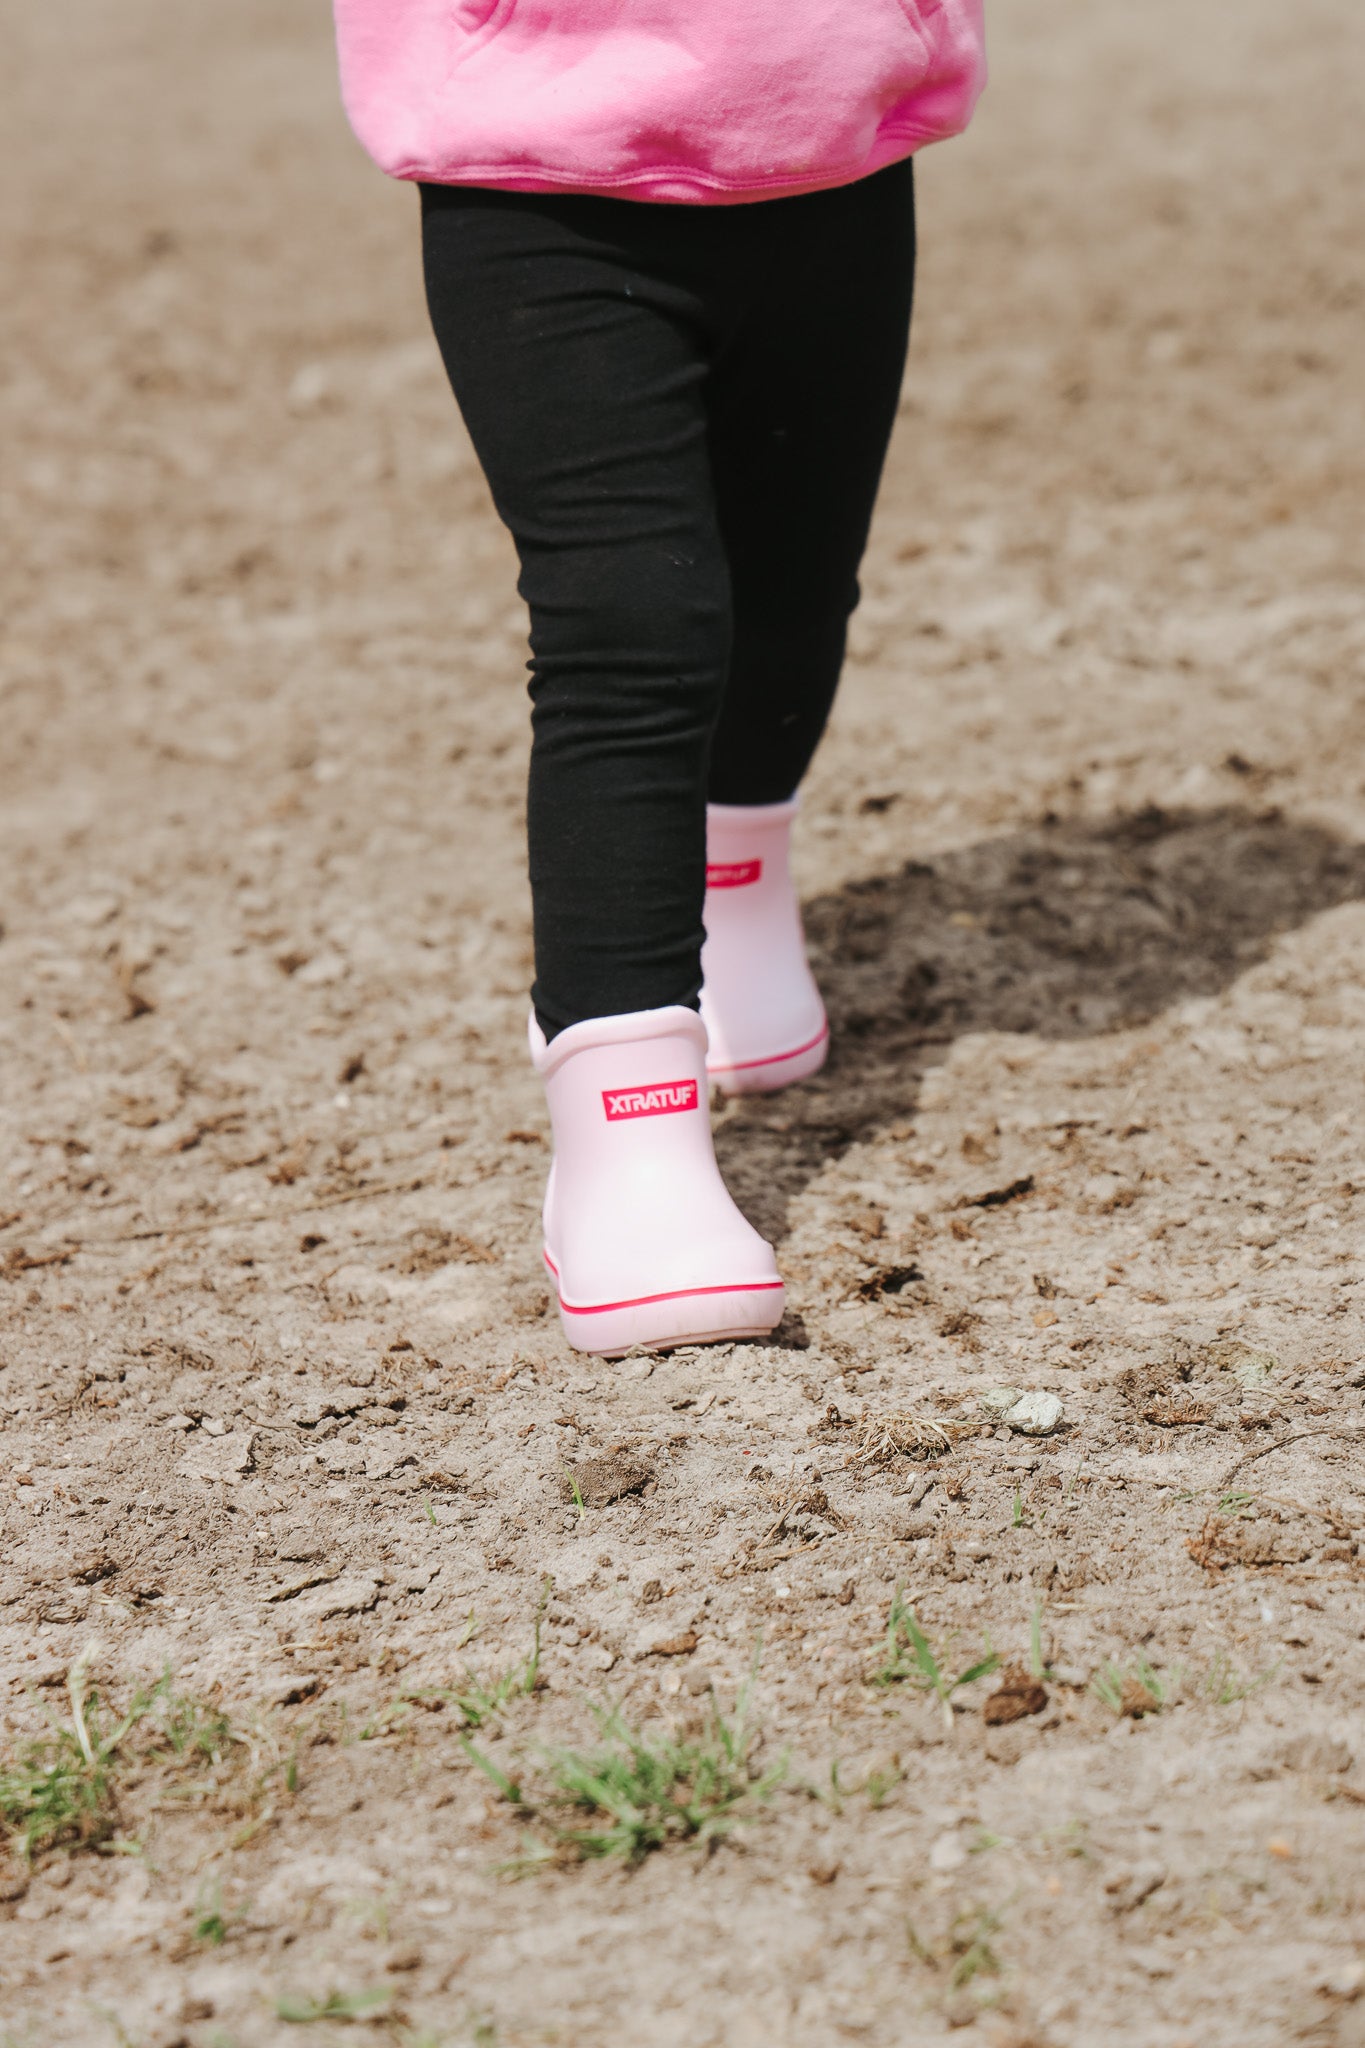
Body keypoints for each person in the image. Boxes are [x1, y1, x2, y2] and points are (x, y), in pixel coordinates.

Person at [331, 0, 986, 1356]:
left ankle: (737, 895)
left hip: (832, 142)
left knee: (796, 597)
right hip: (540, 164)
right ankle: (623, 1130)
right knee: (631, 624)